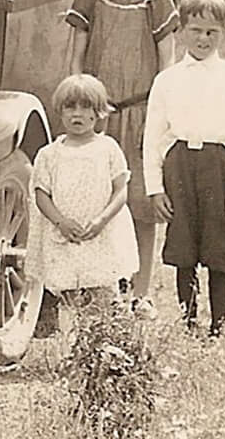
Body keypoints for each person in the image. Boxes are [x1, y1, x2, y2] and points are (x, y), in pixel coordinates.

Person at [63, 0, 180, 296]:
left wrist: (162, 115)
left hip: (141, 114)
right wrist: (81, 107)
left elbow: (168, 63)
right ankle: (105, 289)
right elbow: (75, 61)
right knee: (97, 202)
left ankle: (141, 292)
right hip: (99, 117)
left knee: (139, 206)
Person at [144, 0, 225, 336]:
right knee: (183, 245)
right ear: (181, 29)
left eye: (212, 31)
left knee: (219, 242)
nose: (203, 39)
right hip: (179, 165)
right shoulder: (166, 80)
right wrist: (154, 188)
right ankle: (189, 320)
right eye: (196, 30)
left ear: (224, 31)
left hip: (219, 166)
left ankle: (218, 324)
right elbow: (153, 138)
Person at [32, 72, 140, 313]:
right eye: (70, 107)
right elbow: (41, 194)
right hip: (66, 233)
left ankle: (105, 343)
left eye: (85, 107)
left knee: (104, 293)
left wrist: (101, 220)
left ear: (98, 112)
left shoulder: (107, 148)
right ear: (60, 111)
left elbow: (121, 190)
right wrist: (60, 222)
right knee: (70, 294)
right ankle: (74, 342)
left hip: (100, 232)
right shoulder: (49, 154)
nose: (77, 114)